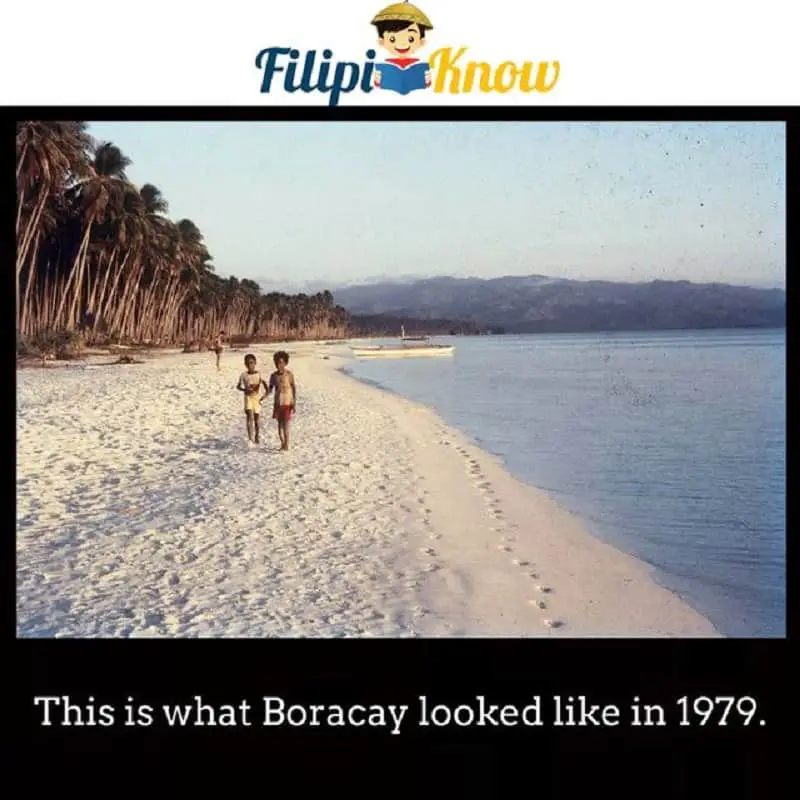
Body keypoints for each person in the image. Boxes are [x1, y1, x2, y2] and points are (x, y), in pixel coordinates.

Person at [267, 350, 297, 451]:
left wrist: (294, 402)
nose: (279, 365)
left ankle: (286, 444)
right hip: (278, 403)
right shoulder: (273, 376)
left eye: (281, 362)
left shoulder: (289, 374)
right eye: (277, 363)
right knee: (279, 425)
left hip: (287, 401)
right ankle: (282, 443)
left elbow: (293, 387)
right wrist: (263, 396)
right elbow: (270, 389)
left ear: (285, 363)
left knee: (286, 424)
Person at [236, 354, 268, 445]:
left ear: (255, 363)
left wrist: (264, 396)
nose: (250, 365)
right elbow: (238, 386)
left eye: (251, 363)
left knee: (256, 418)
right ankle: (250, 438)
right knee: (249, 416)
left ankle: (257, 435)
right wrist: (244, 389)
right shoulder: (243, 375)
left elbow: (266, 387)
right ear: (245, 364)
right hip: (248, 397)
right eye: (248, 363)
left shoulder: (259, 374)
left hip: (256, 398)